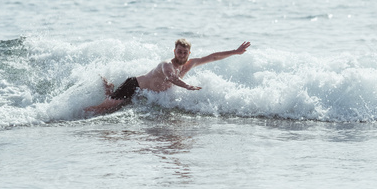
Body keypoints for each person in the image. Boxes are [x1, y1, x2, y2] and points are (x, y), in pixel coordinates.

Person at [84, 39, 251, 115]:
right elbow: (171, 77)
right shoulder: (166, 65)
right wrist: (187, 86)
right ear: (174, 51)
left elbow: (213, 57)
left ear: (188, 53)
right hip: (133, 86)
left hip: (143, 93)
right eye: (179, 51)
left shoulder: (190, 63)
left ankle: (110, 88)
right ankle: (72, 113)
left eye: (185, 52)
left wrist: (235, 52)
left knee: (113, 108)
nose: (182, 54)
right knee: (102, 109)